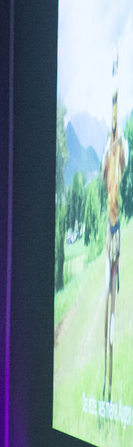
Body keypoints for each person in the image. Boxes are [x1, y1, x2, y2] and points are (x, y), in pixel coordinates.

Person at [103, 79, 125, 401]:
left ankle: (109, 382)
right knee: (107, 296)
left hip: (117, 229)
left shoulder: (121, 148)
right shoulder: (110, 149)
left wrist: (117, 146)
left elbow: (122, 164)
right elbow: (104, 173)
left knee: (113, 307)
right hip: (110, 232)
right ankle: (105, 382)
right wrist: (109, 150)